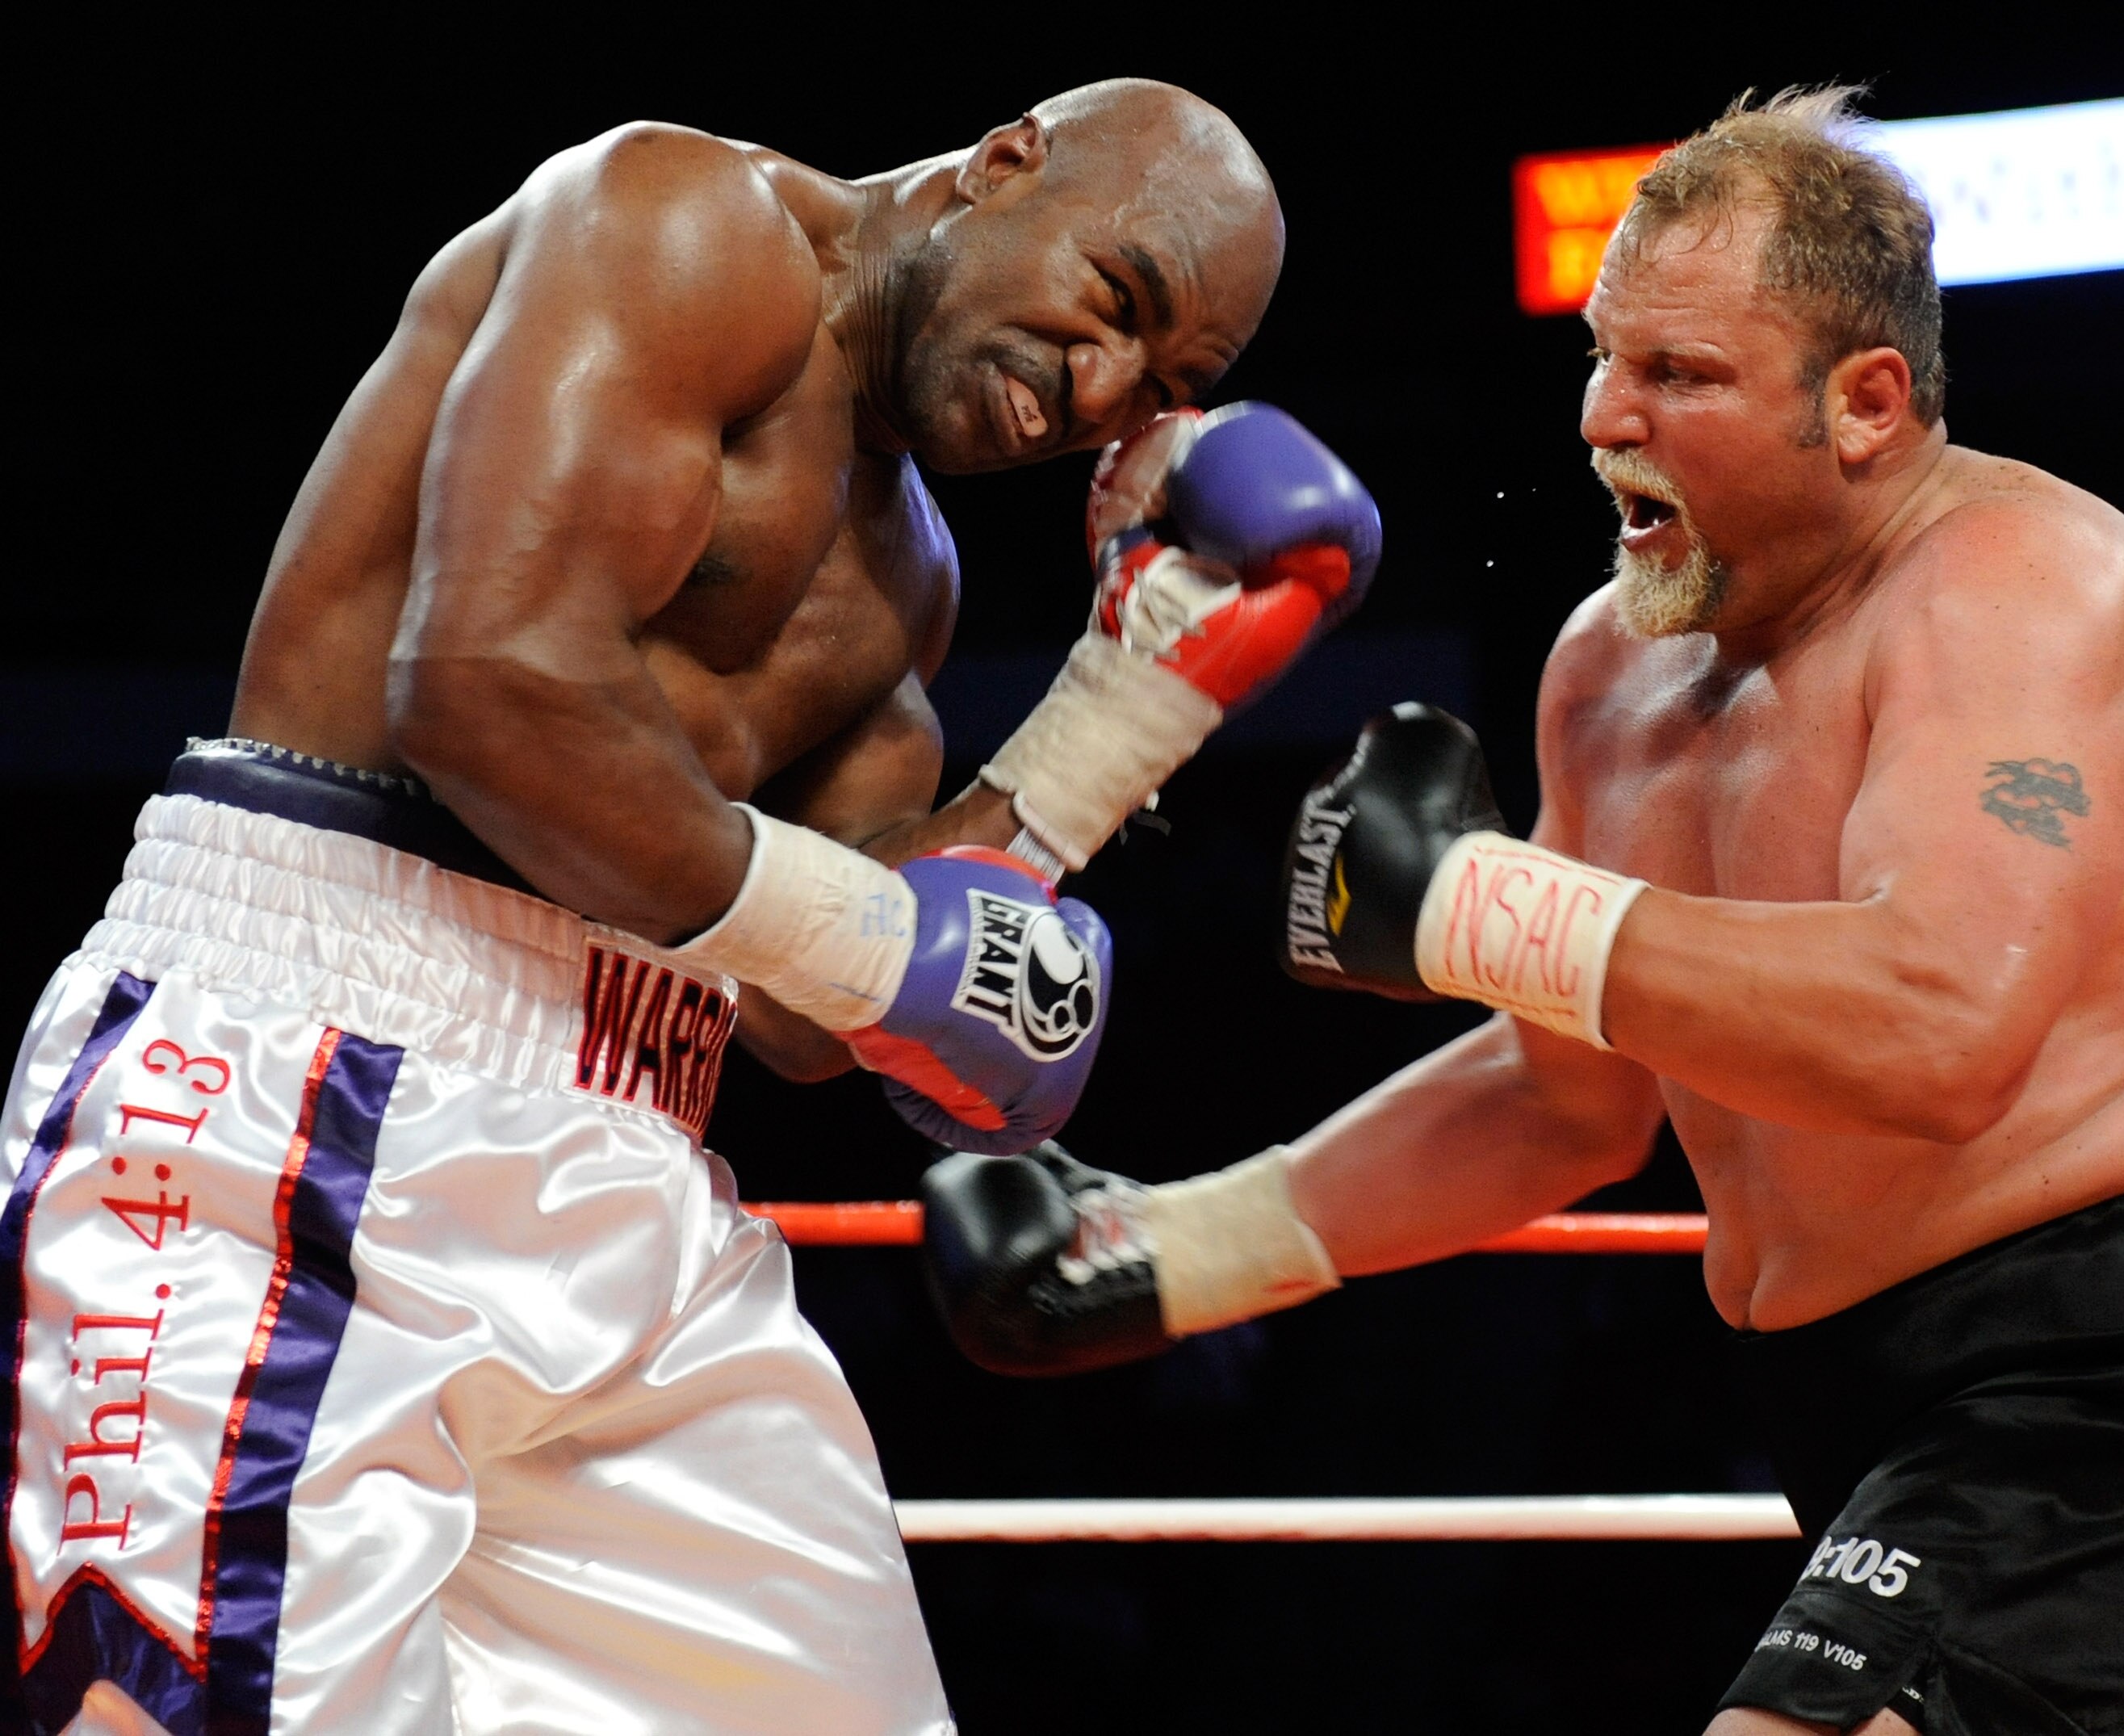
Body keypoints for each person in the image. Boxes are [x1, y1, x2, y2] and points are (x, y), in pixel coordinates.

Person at [923, 89, 2124, 1734]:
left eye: (1680, 375)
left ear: (1866, 403)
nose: (1605, 415)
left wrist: (1480, 903)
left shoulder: (2019, 589)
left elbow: (1940, 1025)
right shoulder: (1608, 673)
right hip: (1852, 1395)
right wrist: (1173, 1251)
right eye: (1606, 356)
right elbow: (1571, 1100)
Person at [2, 77, 1380, 1735]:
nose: (1090, 394)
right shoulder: (682, 222)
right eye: (1112, 303)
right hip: (303, 1061)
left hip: (629, 1147)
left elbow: (813, 1011)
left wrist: (1115, 717)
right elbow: (488, 683)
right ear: (1005, 163)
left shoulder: (910, 579)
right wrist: (884, 945)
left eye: (1155, 388)